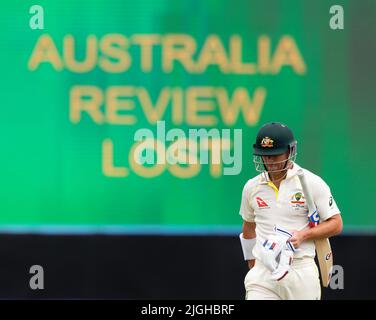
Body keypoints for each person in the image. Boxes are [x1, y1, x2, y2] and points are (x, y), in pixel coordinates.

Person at [239, 122, 343, 300]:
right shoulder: (252, 186)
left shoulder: (311, 183)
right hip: (263, 274)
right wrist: (254, 265)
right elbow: (248, 227)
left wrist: (303, 235)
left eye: (275, 155)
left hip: (301, 270)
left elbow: (336, 224)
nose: (270, 161)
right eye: (265, 156)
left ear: (290, 151)